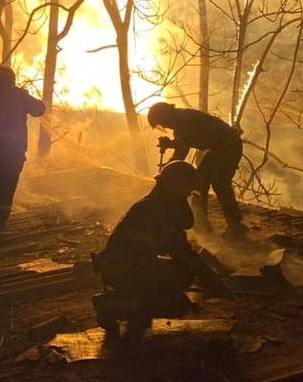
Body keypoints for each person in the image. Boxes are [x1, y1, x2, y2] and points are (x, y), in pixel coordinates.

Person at [92, 160, 232, 336]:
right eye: (186, 193)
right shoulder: (157, 212)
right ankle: (112, 305)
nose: (187, 198)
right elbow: (184, 255)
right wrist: (213, 281)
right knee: (176, 303)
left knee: (177, 280)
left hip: (125, 267)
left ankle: (135, 309)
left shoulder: (152, 205)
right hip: (125, 270)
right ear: (176, 190)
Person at [147, 102, 248, 238]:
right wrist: (168, 161)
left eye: (162, 122)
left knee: (220, 183)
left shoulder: (184, 119)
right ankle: (202, 224)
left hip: (229, 146)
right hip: (218, 148)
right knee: (200, 182)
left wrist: (166, 170)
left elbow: (182, 149)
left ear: (165, 116)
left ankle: (235, 225)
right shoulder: (181, 121)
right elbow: (181, 149)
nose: (164, 126)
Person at [0, 66, 45, 238]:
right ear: (12, 81)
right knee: (5, 187)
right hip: (13, 152)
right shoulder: (18, 96)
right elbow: (39, 109)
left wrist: (20, 95)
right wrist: (23, 94)